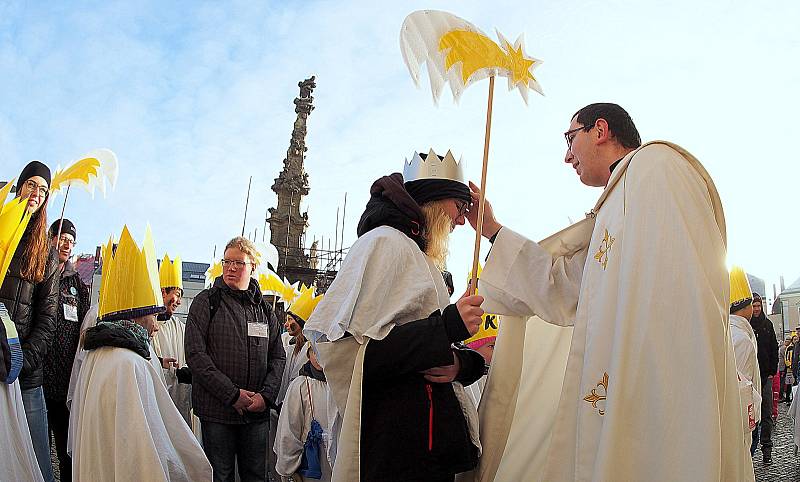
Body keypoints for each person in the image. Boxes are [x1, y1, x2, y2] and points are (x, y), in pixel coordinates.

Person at [469, 103, 751, 481]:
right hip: (620, 392)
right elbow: (561, 288)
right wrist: (491, 228)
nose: (567, 156)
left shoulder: (658, 168)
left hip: (659, 391)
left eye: (571, 138)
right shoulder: (612, 205)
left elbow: (678, 295)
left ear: (600, 130)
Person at [304, 149, 487, 482]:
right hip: (396, 449)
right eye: (459, 208)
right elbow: (357, 356)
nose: (462, 220)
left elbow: (431, 350)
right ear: (433, 200)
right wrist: (447, 325)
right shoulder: (384, 244)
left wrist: (462, 364)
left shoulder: (419, 256)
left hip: (428, 445)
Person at [68, 225, 211, 481]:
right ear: (136, 315)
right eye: (153, 316)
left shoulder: (99, 354)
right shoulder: (130, 365)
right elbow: (143, 451)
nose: (156, 325)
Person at [185, 235, 285, 482]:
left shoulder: (264, 310)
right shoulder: (206, 302)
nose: (231, 268)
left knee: (256, 476)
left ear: (252, 267)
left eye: (239, 263)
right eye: (227, 262)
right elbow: (196, 356)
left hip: (257, 412)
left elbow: (278, 357)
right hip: (218, 411)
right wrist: (233, 395)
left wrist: (266, 396)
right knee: (221, 475)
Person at [0, 161, 59, 482]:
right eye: (31, 184)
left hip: (24, 374)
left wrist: (20, 361)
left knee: (39, 464)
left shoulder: (46, 252)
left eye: (43, 189)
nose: (36, 193)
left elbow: (47, 318)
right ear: (19, 187)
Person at [42, 218, 90, 482]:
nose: (66, 245)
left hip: (65, 382)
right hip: (36, 378)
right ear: (50, 239)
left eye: (71, 241)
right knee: (37, 447)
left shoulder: (77, 286)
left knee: (66, 451)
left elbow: (84, 327)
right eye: (62, 238)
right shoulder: (37, 274)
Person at [269, 286, 322, 481]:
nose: (287, 323)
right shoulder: (287, 344)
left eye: (291, 320)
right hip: (279, 406)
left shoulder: (311, 348)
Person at [274, 344, 334, 482]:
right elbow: (288, 431)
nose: (319, 356)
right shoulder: (300, 386)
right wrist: (288, 469)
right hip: (310, 469)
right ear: (308, 355)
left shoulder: (342, 385)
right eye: (314, 351)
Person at [152, 254, 193, 425]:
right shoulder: (146, 322)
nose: (178, 301)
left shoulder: (180, 327)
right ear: (162, 291)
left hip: (177, 402)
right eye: (176, 294)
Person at [727, 267, 761, 460]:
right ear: (746, 307)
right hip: (742, 422)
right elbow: (741, 388)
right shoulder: (741, 338)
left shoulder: (734, 332)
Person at [748, 292, 778, 463]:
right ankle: (751, 448)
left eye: (759, 306)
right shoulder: (747, 326)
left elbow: (774, 348)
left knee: (766, 413)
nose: (757, 309)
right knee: (751, 413)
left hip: (765, 376)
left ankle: (766, 447)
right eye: (754, 306)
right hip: (750, 378)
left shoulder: (768, 325)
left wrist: (772, 371)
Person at [780, 337, 791, 401]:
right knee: (782, 382)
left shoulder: (783, 348)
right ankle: (781, 396)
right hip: (783, 367)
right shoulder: (784, 348)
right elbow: (786, 358)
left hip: (782, 367)